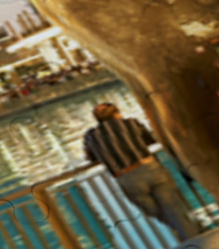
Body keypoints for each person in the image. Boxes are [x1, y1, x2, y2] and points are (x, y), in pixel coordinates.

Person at [82, 102, 203, 241]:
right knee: (173, 208)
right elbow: (149, 139)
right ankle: (192, 233)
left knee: (153, 211)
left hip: (126, 177)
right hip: (150, 168)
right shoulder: (131, 123)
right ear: (116, 113)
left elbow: (91, 157)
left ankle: (189, 233)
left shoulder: (91, 135)